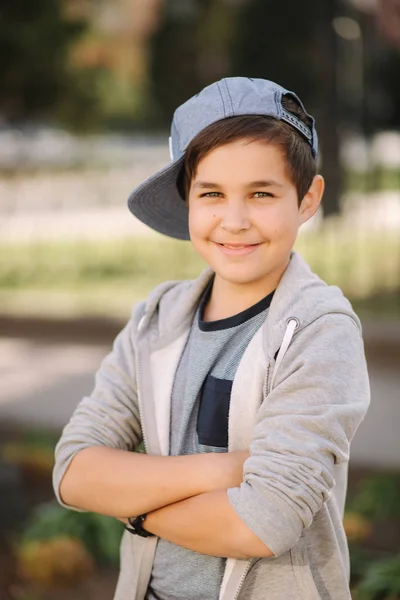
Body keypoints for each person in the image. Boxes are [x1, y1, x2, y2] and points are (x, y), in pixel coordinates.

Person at [53, 77, 370, 600]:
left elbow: (260, 524)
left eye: (262, 193)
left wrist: (133, 507)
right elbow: (73, 470)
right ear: (188, 200)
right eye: (213, 194)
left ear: (308, 198)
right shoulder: (155, 319)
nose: (235, 220)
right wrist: (223, 470)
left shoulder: (319, 331)